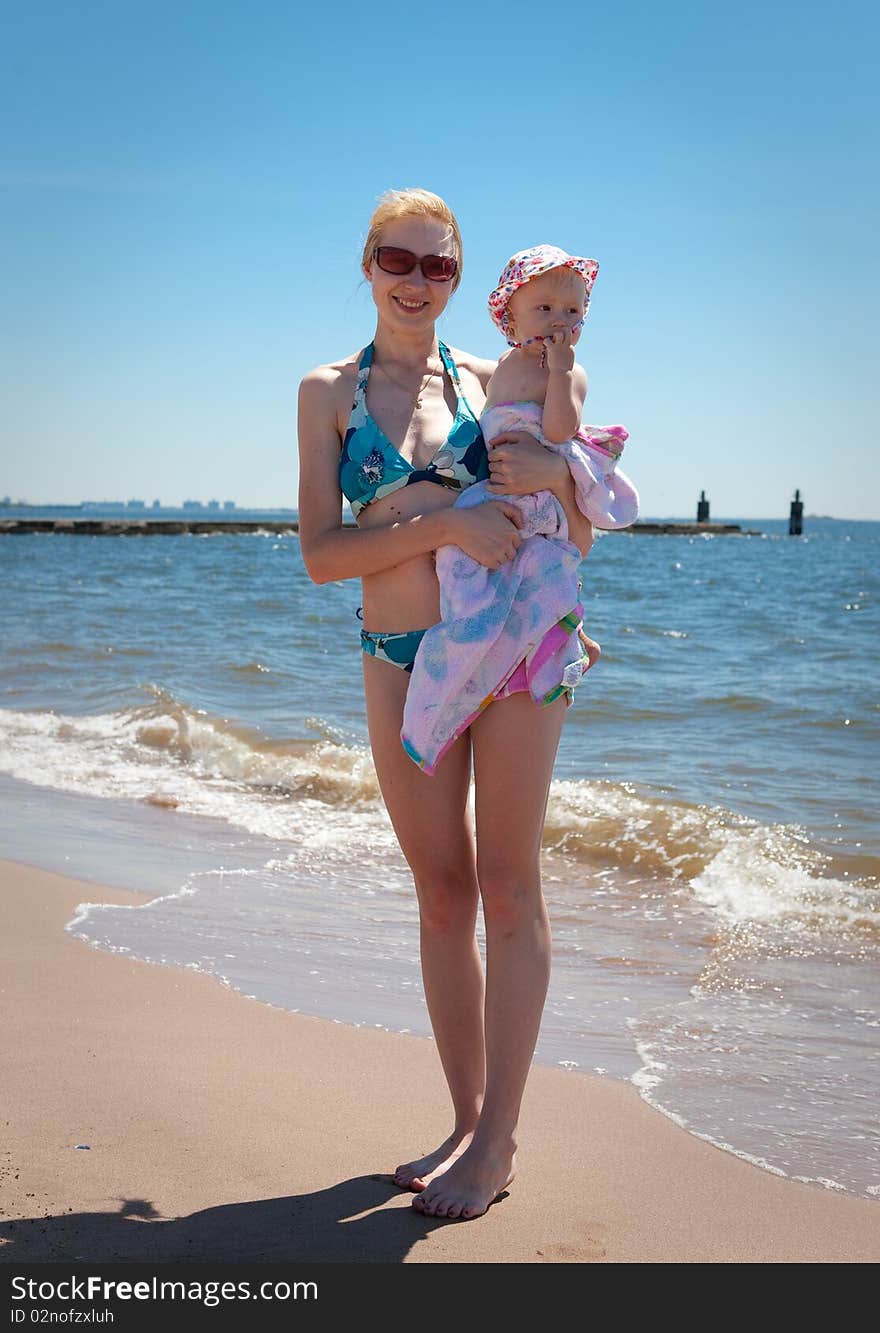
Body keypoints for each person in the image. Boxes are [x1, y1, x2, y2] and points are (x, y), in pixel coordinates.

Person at [297, 189, 598, 1221]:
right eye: (399, 259)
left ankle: (500, 1139)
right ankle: (466, 1122)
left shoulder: (500, 377)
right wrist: (442, 532)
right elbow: (321, 556)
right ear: (368, 263)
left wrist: (561, 471)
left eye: (440, 267)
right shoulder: (327, 392)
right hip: (396, 653)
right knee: (440, 893)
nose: (418, 281)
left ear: (464, 281)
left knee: (509, 884)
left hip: (513, 651)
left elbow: (574, 532)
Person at [400, 244, 637, 775]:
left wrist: (561, 373)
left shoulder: (570, 373)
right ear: (511, 316)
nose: (560, 322)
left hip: (536, 493)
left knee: (542, 565)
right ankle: (506, 642)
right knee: (462, 565)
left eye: (573, 311)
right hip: (502, 489)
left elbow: (558, 431)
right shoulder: (503, 364)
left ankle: (568, 640)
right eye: (545, 309)